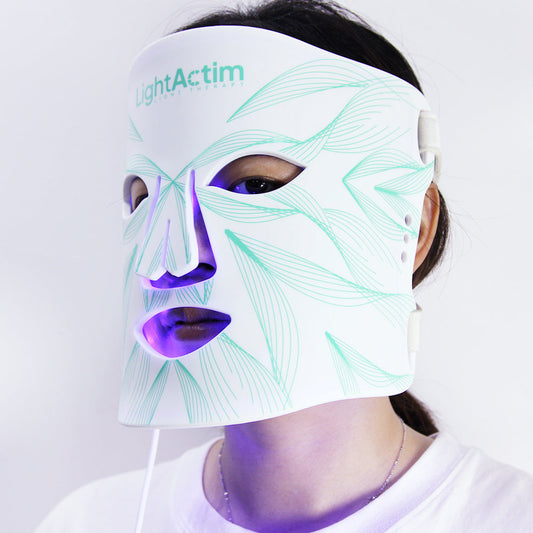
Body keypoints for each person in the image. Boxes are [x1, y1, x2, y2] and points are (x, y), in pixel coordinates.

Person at [35, 1, 533, 532]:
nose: (170, 261)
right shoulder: (87, 521)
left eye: (253, 185)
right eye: (144, 200)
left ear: (410, 226)